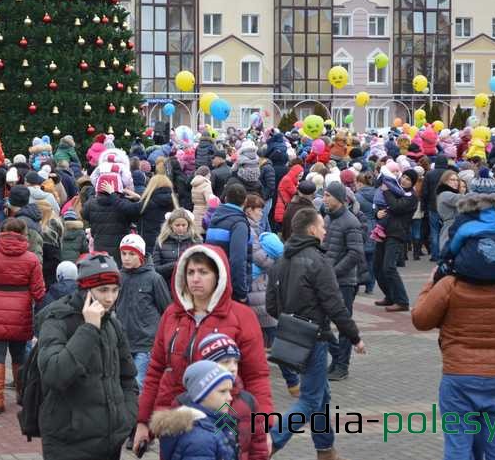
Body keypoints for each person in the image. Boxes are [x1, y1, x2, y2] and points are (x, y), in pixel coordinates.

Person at [132, 244, 272, 453]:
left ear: (218, 275)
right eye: (190, 272)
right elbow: (156, 370)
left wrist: (263, 427)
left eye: (203, 272)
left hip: (225, 418)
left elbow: (256, 376)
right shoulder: (172, 315)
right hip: (176, 420)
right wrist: (144, 422)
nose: (195, 278)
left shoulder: (242, 316)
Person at [266, 208, 366, 460]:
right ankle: (269, 442)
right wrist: (354, 337)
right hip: (315, 337)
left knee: (321, 395)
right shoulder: (318, 261)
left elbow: (271, 306)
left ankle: (325, 450)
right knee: (310, 399)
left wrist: (289, 320)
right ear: (311, 229)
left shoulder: (280, 261)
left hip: (291, 336)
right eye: (322, 227)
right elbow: (335, 305)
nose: (325, 231)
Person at [413, 268, 495, 460]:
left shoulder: (450, 285)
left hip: (458, 376)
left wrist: (430, 284)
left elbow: (420, 320)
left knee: (458, 443)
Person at [36, 252, 139, 460]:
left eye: (114, 290)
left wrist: (126, 416)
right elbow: (55, 374)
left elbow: (128, 378)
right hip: (68, 442)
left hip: (110, 440)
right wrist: (89, 329)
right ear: (85, 290)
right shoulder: (57, 320)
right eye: (102, 290)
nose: (109, 298)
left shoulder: (112, 323)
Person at [0, 217, 45, 413]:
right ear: (23, 234)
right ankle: (21, 394)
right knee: (19, 356)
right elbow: (39, 292)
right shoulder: (31, 259)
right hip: (21, 313)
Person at [322, 182, 366, 381]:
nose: (324, 199)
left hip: (345, 281)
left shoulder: (351, 222)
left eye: (327, 195)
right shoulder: (328, 218)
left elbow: (355, 253)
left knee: (343, 323)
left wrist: (334, 271)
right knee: (323, 322)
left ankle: (342, 365)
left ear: (339, 198)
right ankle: (336, 360)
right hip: (328, 279)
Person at [150, 360, 238, 460]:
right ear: (201, 394)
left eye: (229, 391)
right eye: (223, 391)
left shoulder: (211, 425)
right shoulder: (201, 439)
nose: (230, 397)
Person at [115, 234, 171, 387]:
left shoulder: (154, 279)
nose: (126, 258)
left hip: (145, 343)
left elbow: (166, 309)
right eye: (123, 253)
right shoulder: (118, 278)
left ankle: (140, 411)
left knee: (139, 384)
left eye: (131, 254)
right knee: (123, 384)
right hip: (123, 341)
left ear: (140, 255)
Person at [373, 169, 418, 312]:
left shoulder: (411, 197)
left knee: (389, 267)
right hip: (383, 232)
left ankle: (402, 301)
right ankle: (390, 296)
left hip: (396, 234)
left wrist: (386, 192)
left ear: (413, 183)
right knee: (377, 267)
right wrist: (377, 214)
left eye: (408, 179)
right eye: (403, 177)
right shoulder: (395, 190)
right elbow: (383, 207)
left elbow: (396, 206)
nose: (404, 180)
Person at [207, 183, 251, 303]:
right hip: (230, 288)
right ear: (245, 201)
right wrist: (242, 293)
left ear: (225, 198)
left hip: (213, 282)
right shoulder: (239, 224)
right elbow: (238, 260)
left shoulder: (214, 219)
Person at [82, 179, 141, 266]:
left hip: (99, 248)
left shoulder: (90, 204)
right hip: (120, 249)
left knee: (103, 271)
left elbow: (85, 215)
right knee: (118, 272)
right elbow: (136, 216)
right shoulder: (124, 204)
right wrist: (137, 199)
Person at [152, 208, 203, 282]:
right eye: (177, 225)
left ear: (188, 225)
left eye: (183, 225)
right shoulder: (161, 241)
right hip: (166, 285)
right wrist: (175, 265)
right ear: (171, 225)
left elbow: (201, 265)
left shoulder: (196, 241)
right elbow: (155, 269)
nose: (181, 228)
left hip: (189, 284)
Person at [138, 174, 179, 255]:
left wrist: (113, 195)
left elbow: (127, 208)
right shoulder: (173, 202)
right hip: (168, 245)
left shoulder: (149, 203)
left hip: (149, 243)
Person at [421, 156, 451, 262]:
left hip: (433, 206)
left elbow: (424, 192)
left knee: (434, 231)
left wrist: (423, 206)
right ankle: (445, 253)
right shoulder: (449, 174)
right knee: (446, 230)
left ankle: (435, 255)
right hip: (447, 206)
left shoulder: (429, 174)